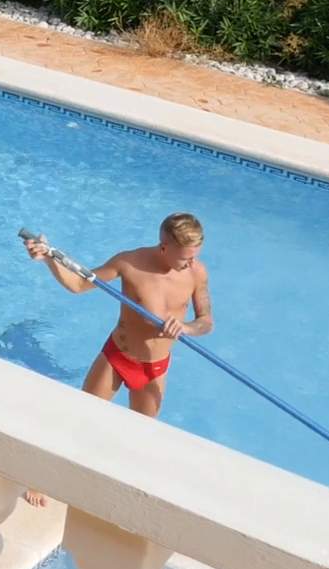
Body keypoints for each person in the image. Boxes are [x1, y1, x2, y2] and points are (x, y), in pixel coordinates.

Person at [22, 214, 212, 505]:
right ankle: (46, 480)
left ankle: (119, 495)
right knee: (83, 419)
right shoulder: (129, 263)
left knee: (140, 436)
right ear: (164, 247)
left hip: (155, 368)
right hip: (117, 356)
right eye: (185, 258)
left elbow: (206, 321)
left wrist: (186, 328)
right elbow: (79, 285)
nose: (191, 263)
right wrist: (49, 258)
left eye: (195, 256)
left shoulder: (197, 273)